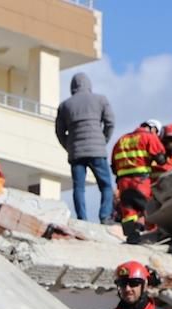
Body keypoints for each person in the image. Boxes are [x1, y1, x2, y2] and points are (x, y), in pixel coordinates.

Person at [55, 72, 115, 223]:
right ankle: (105, 216)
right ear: (89, 84)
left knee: (79, 188)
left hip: (76, 152)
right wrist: (103, 140)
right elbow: (110, 122)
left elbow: (59, 131)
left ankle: (82, 218)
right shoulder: (101, 100)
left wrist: (69, 146)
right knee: (106, 185)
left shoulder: (65, 105)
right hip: (97, 150)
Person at [111, 120, 166, 244]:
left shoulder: (121, 140)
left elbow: (114, 166)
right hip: (140, 180)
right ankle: (156, 234)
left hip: (123, 182)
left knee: (129, 211)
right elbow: (161, 158)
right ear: (153, 129)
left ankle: (132, 236)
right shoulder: (149, 137)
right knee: (148, 207)